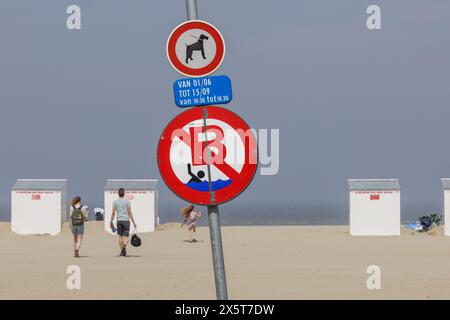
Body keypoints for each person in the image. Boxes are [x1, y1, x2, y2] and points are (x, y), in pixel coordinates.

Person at [110, 188, 137, 257]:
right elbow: (130, 213)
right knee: (126, 236)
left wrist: (111, 221)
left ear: (118, 194)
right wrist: (134, 222)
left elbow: (113, 213)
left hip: (119, 220)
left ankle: (122, 251)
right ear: (124, 193)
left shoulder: (115, 202)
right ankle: (124, 247)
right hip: (126, 221)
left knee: (120, 236)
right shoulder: (127, 202)